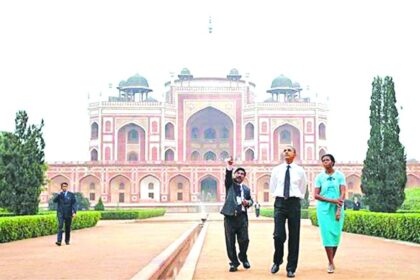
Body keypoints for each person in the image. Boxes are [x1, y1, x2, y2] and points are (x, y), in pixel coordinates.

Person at [269, 146, 307, 278]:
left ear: (294, 154)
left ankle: (291, 268)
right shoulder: (277, 170)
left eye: (289, 150)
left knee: (294, 237)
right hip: (280, 202)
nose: (286, 152)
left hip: (294, 203)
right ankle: (277, 260)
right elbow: (273, 186)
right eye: (284, 150)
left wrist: (295, 197)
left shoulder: (300, 171)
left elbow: (303, 188)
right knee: (278, 235)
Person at [220, 157, 254, 272]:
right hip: (230, 216)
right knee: (230, 242)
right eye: (238, 173)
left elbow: (251, 201)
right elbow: (227, 177)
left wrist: (248, 202)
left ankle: (243, 257)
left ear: (244, 177)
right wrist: (229, 167)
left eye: (242, 174)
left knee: (245, 240)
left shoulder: (246, 189)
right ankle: (233, 263)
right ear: (234, 175)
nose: (239, 175)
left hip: (242, 217)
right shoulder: (230, 185)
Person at [314, 154, 346, 274]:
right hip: (323, 209)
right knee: (327, 235)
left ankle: (331, 259)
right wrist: (332, 200)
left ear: (333, 162)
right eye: (323, 160)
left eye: (327, 160)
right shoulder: (319, 177)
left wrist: (339, 207)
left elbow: (343, 192)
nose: (325, 162)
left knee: (336, 234)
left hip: (337, 207)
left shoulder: (340, 176)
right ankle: (331, 262)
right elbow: (316, 195)